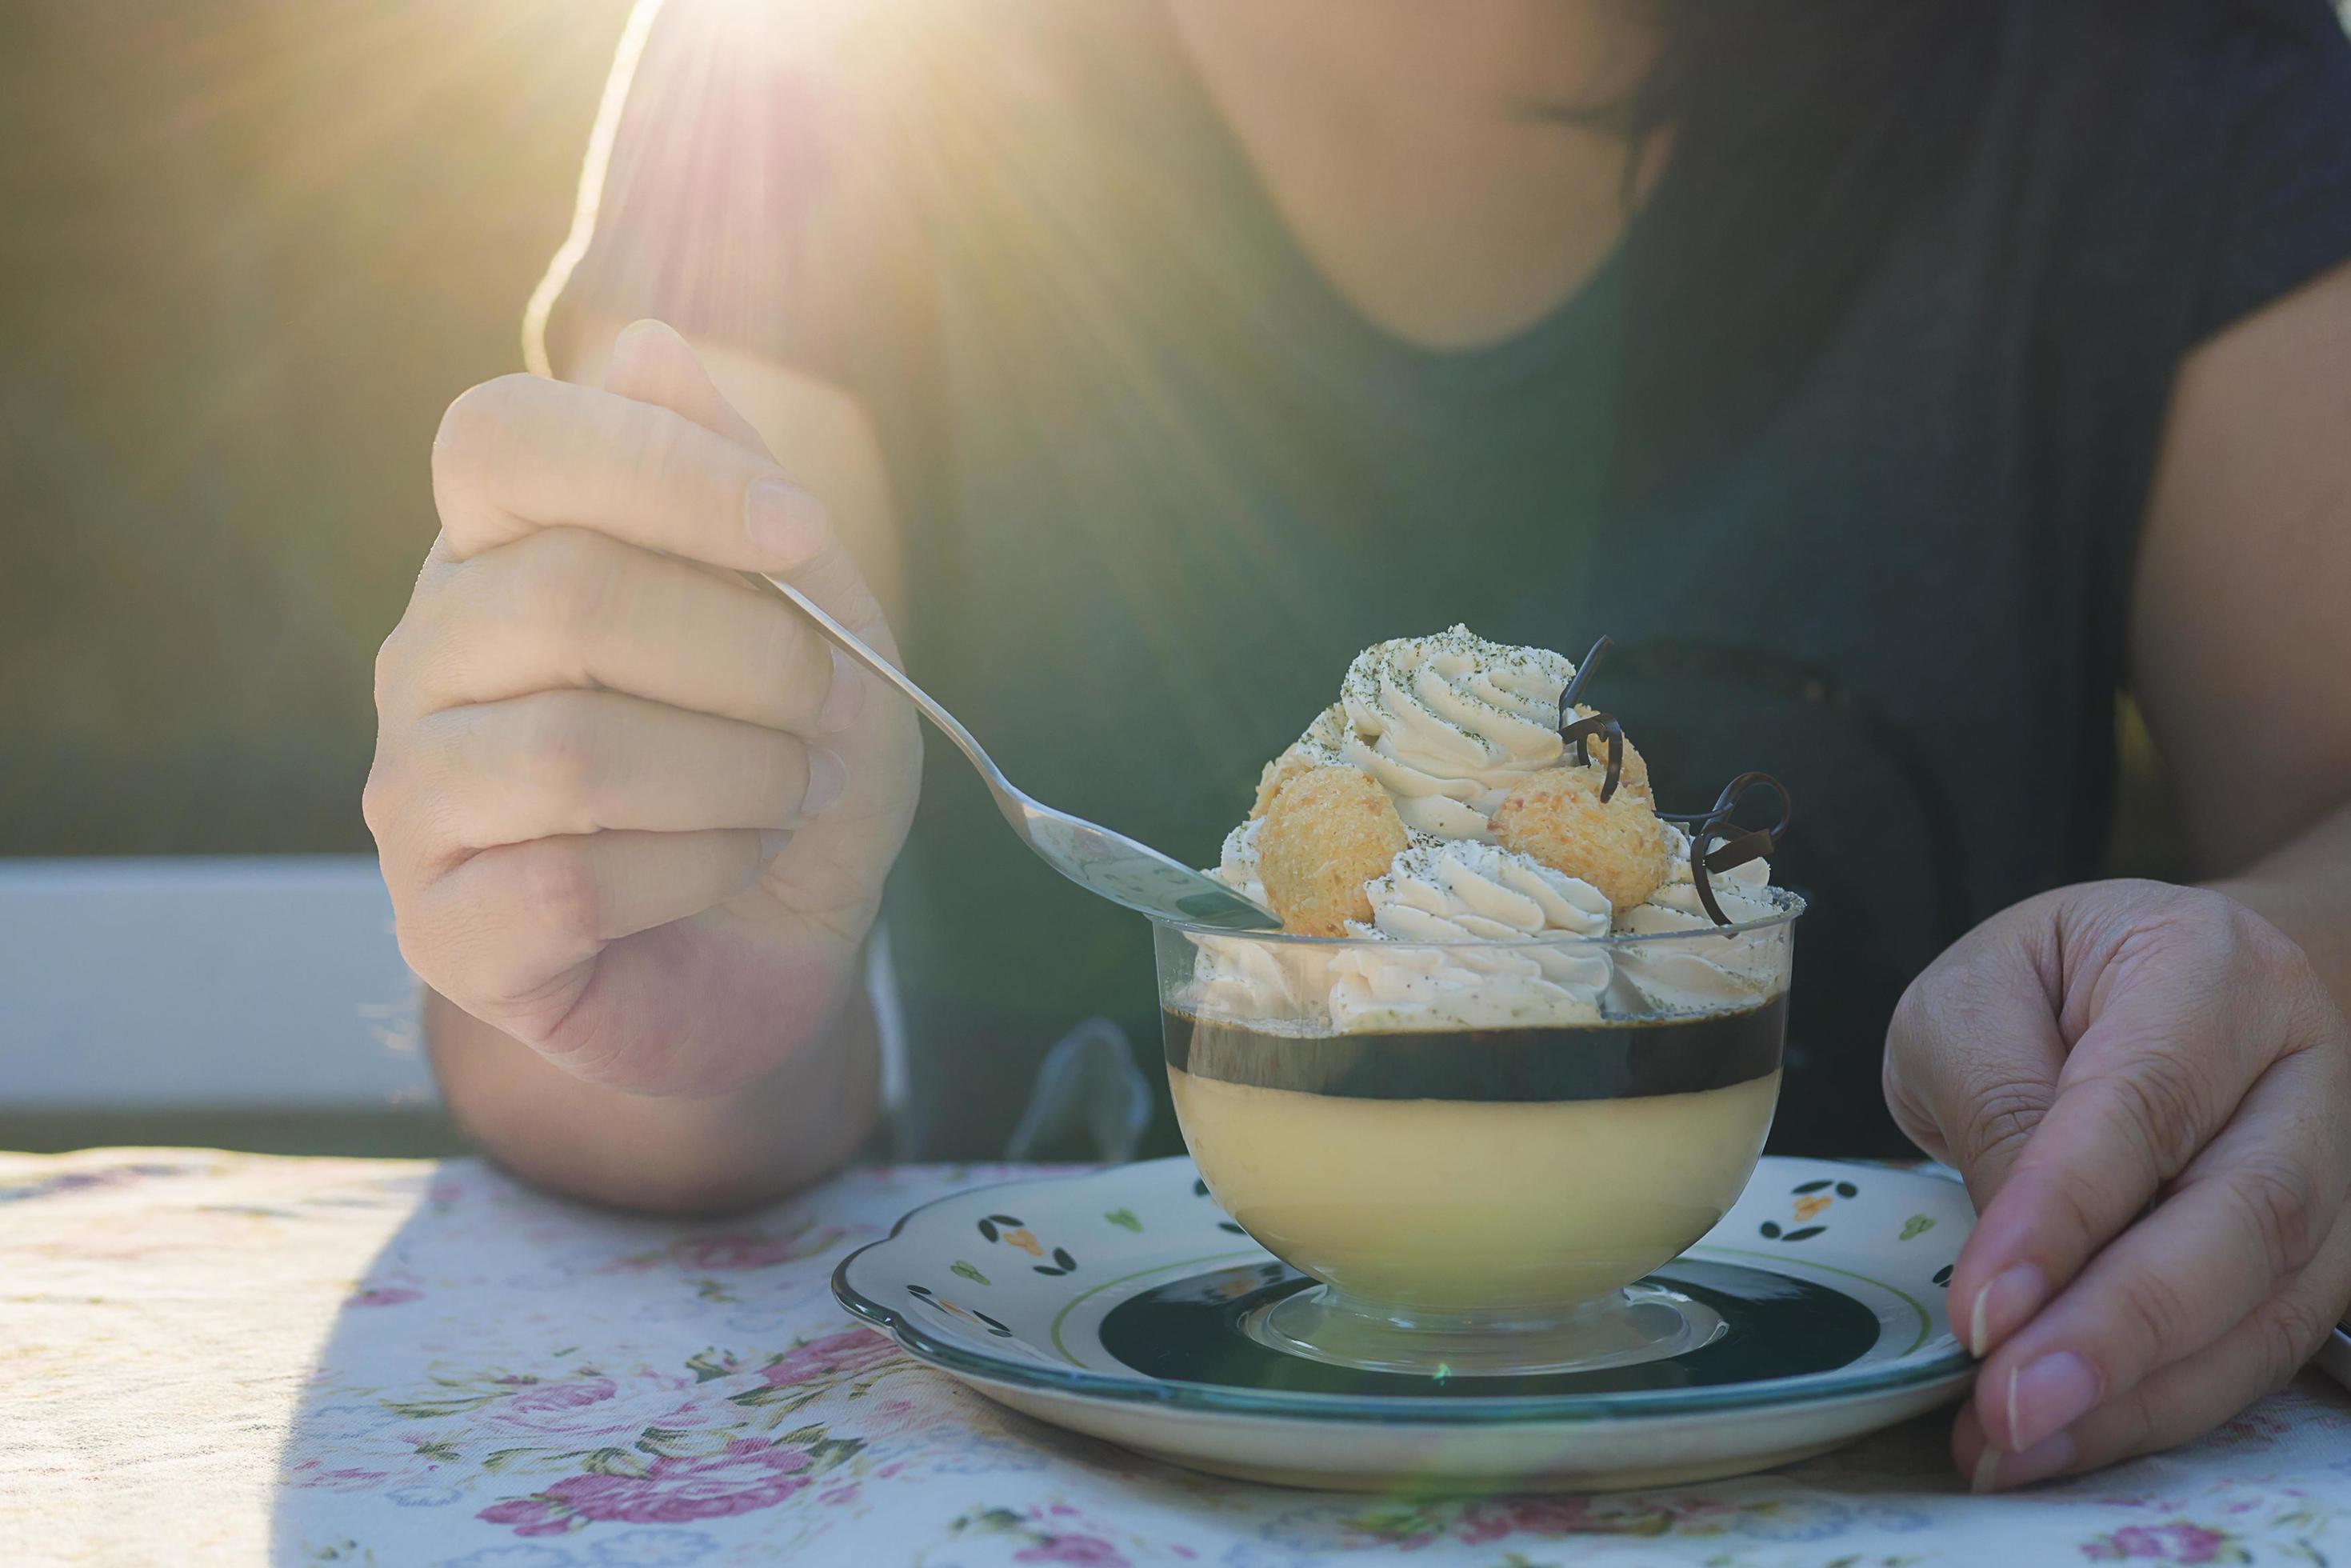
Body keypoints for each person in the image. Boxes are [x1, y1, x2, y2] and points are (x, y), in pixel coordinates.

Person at [363, 0, 2351, 1490]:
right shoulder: (823, 64)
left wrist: (2273, 986)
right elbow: (650, 875)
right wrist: (639, 964)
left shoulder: (2142, 65)